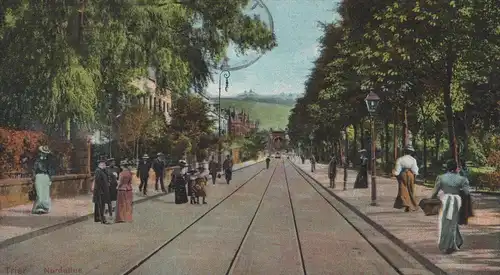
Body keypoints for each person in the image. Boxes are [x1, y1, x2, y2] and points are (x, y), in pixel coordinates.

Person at [430, 159, 471, 254]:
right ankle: (457, 240)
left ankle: (449, 245)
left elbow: (434, 192)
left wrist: (431, 199)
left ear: (447, 167)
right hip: (457, 200)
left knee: (446, 222)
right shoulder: (462, 179)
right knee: (453, 221)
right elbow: (466, 192)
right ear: (456, 168)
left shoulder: (441, 178)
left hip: (445, 200)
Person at [393, 145, 419, 212]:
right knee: (411, 190)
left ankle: (407, 204)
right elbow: (415, 170)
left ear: (404, 151)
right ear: (411, 152)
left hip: (403, 174)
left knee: (403, 190)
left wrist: (395, 174)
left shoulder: (400, 159)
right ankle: (412, 205)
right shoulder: (413, 160)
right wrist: (414, 177)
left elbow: (397, 170)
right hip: (411, 174)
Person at [31, 146, 54, 214]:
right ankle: (37, 208)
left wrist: (50, 179)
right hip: (39, 176)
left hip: (46, 177)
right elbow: (33, 169)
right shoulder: (37, 160)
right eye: (43, 153)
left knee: (46, 193)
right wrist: (33, 177)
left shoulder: (48, 161)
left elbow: (50, 170)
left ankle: (45, 208)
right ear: (40, 153)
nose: (44, 154)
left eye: (45, 153)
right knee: (39, 193)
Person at [92, 156, 112, 224]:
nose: (105, 165)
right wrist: (100, 191)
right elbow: (97, 182)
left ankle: (97, 218)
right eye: (104, 164)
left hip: (102, 191)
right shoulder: (98, 171)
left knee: (98, 205)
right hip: (100, 191)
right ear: (101, 164)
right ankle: (103, 220)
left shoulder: (102, 171)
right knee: (101, 206)